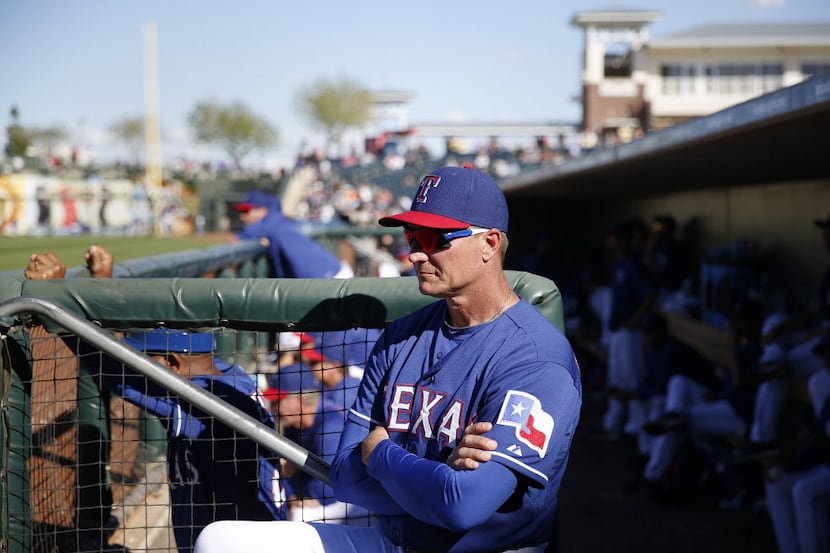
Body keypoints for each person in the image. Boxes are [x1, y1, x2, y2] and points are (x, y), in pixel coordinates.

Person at [194, 166, 583, 553]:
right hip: (393, 541)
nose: (415, 253)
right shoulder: (401, 336)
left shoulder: (536, 359)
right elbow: (346, 475)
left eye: (434, 238)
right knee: (219, 540)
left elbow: (464, 506)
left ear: (489, 244)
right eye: (411, 236)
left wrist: (381, 453)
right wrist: (439, 472)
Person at [25, 247, 288, 553]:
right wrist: (98, 289)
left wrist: (57, 298)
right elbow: (118, 359)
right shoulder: (229, 375)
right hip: (251, 534)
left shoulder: (203, 405)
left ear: (170, 364)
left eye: (147, 359)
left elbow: (112, 368)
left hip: (243, 545)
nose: (141, 364)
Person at [266, 364, 372, 526]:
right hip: (332, 496)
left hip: (358, 503)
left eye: (278, 401)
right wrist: (292, 494)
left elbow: (328, 490)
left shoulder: (331, 425)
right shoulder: (296, 427)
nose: (272, 406)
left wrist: (298, 496)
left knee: (301, 516)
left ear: (299, 400)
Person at [233, 190, 353, 279]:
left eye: (247, 211)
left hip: (331, 279)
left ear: (263, 210)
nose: (242, 216)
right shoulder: (278, 220)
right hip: (333, 273)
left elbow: (234, 240)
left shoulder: (271, 223)